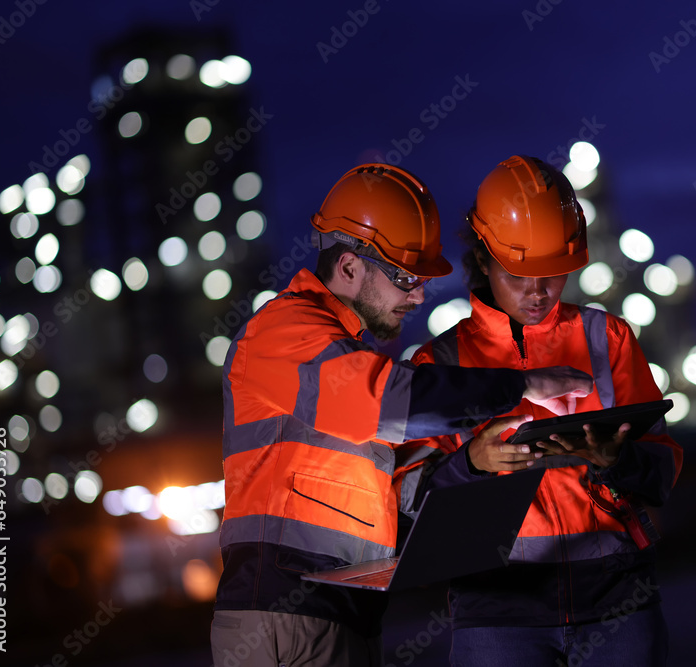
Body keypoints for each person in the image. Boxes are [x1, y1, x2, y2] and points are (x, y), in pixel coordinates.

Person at [211, 163, 593, 667]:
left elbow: (389, 495)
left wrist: (474, 464)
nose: (417, 295)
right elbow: (387, 403)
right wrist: (520, 383)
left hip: (341, 614)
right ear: (349, 267)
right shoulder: (283, 332)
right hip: (286, 611)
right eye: (405, 278)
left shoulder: (341, 359)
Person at [411, 155, 684, 666]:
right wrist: (472, 462)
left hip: (616, 601)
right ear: (484, 256)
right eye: (520, 274)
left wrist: (617, 461)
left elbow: (663, 470)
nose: (539, 291)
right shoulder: (439, 364)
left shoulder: (609, 338)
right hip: (498, 612)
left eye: (554, 274)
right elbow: (409, 500)